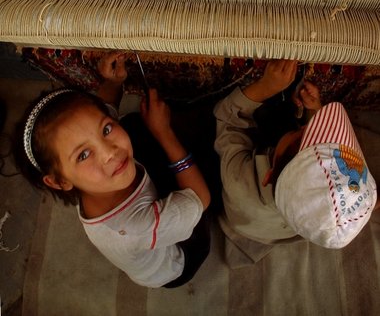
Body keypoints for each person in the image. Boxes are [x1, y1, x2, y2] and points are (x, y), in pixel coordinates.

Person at [14, 52, 211, 288]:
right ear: (58, 181)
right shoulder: (135, 228)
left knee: (130, 126)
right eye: (83, 155)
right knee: (205, 187)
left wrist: (113, 82)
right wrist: (163, 132)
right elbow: (200, 199)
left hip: (148, 215)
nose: (110, 152)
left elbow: (105, 110)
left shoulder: (90, 180)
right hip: (178, 262)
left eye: (106, 129)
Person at [214, 59, 377, 255]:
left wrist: (266, 87)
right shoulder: (315, 222)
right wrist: (314, 111)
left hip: (243, 221)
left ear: (269, 175)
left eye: (302, 136)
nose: (306, 126)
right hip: (273, 230)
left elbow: (227, 120)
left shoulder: (238, 181)